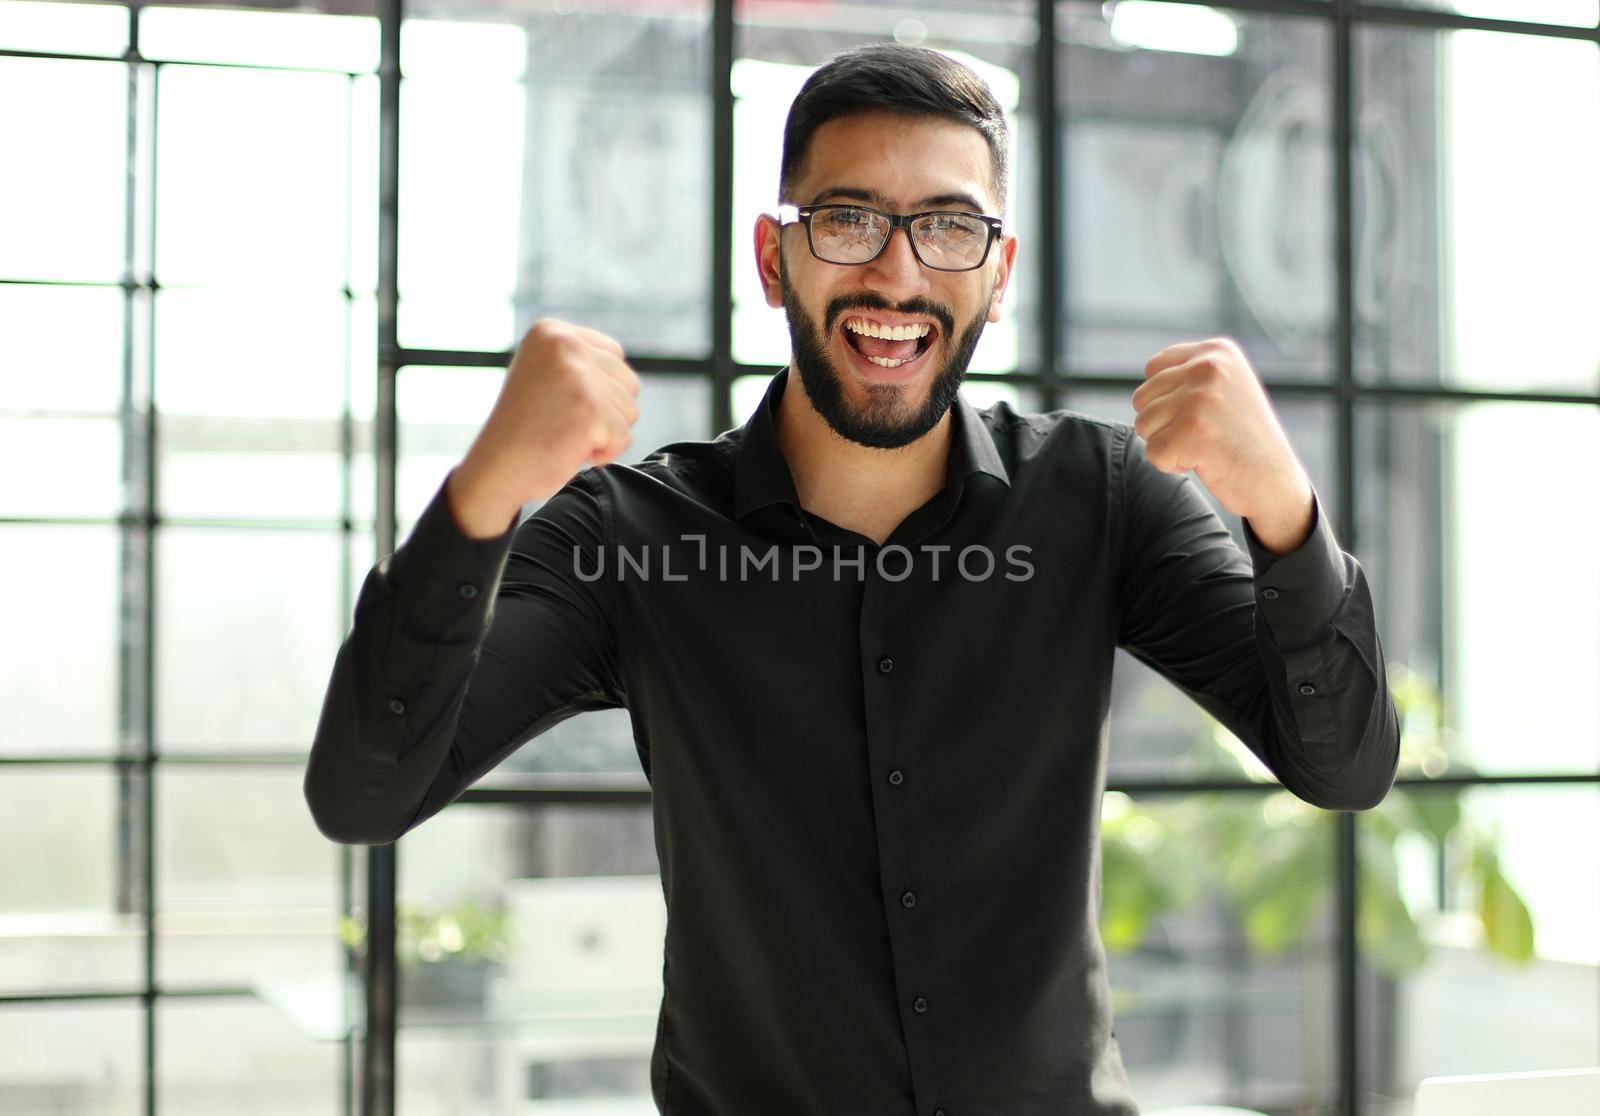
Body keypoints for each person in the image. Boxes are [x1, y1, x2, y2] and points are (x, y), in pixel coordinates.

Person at [304, 42, 1400, 1116]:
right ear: (774, 257)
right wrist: (483, 489)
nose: (897, 271)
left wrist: (1283, 509)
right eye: (849, 219)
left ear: (998, 272)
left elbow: (1343, 766)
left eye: (949, 227)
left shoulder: (1107, 500)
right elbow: (365, 791)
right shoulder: (628, 532)